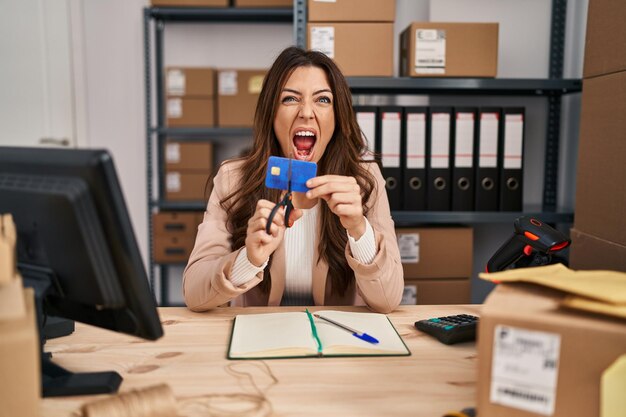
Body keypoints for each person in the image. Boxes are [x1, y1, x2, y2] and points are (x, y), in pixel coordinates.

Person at [183, 46, 403, 313]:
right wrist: (248, 259)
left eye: (322, 100)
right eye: (290, 99)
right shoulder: (233, 179)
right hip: (259, 339)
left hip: (338, 342)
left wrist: (359, 229)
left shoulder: (365, 181)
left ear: (338, 116)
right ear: (271, 113)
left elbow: (389, 300)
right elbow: (194, 294)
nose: (306, 113)